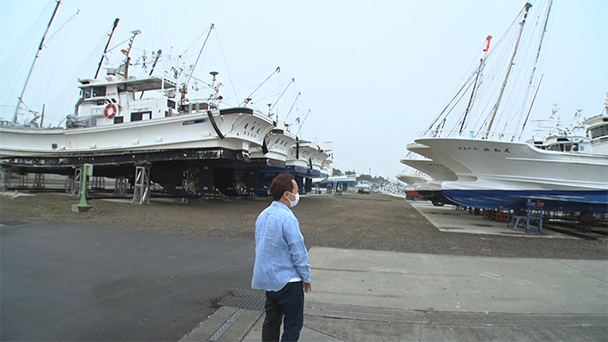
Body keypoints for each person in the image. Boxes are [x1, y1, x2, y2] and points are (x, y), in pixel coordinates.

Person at [252, 173, 312, 342]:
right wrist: (306, 277)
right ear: (287, 195)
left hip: (269, 281)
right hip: (288, 282)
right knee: (293, 323)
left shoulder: (263, 215)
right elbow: (298, 251)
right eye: (296, 191)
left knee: (271, 322)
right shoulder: (288, 218)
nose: (297, 195)